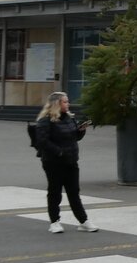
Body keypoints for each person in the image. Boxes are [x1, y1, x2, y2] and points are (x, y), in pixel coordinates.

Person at [34, 91, 98, 233]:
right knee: (55, 191)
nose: (68, 104)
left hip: (71, 160)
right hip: (53, 162)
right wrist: (59, 152)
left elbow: (75, 137)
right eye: (65, 101)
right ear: (57, 103)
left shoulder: (69, 118)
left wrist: (81, 130)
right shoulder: (45, 120)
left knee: (74, 191)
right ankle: (54, 222)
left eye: (67, 101)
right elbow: (42, 141)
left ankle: (83, 221)